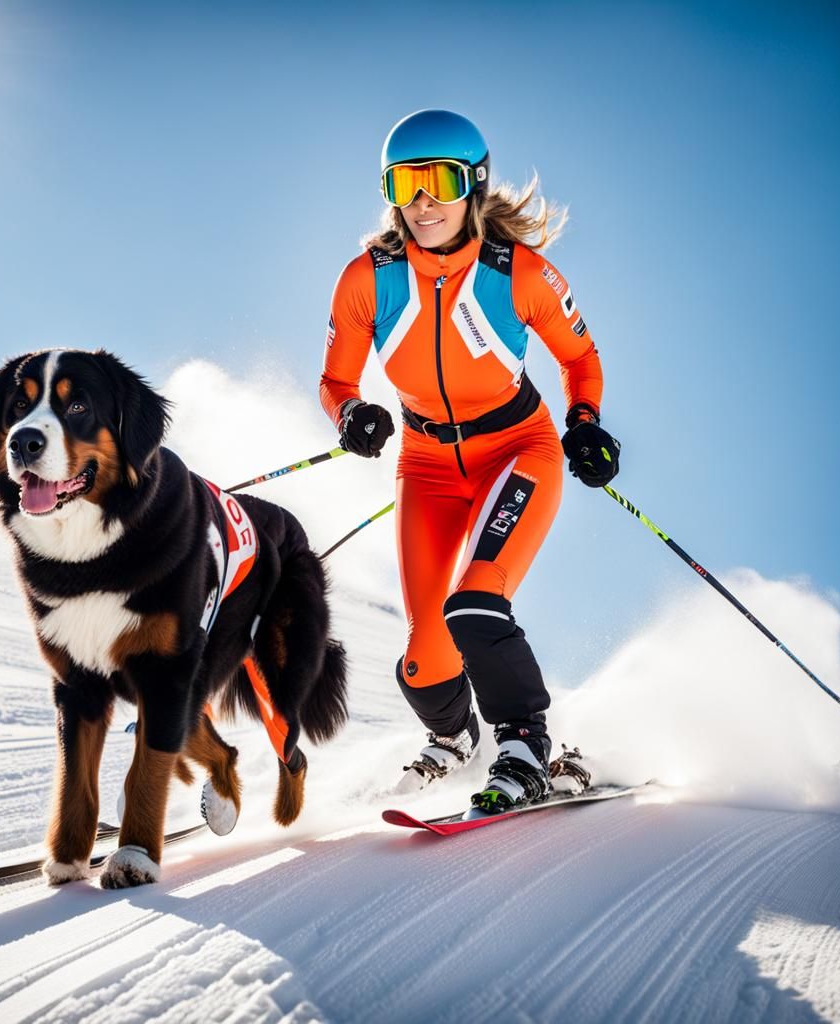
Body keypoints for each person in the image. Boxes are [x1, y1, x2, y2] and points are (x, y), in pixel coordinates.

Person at [319, 109, 620, 812]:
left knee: (476, 603)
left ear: (474, 184)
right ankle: (456, 741)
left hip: (518, 448)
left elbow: (579, 357)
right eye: (405, 183)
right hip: (425, 465)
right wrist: (351, 414)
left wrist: (584, 424)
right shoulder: (368, 279)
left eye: (440, 180)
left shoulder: (522, 275)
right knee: (427, 662)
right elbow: (337, 381)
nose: (422, 201)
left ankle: (523, 745)